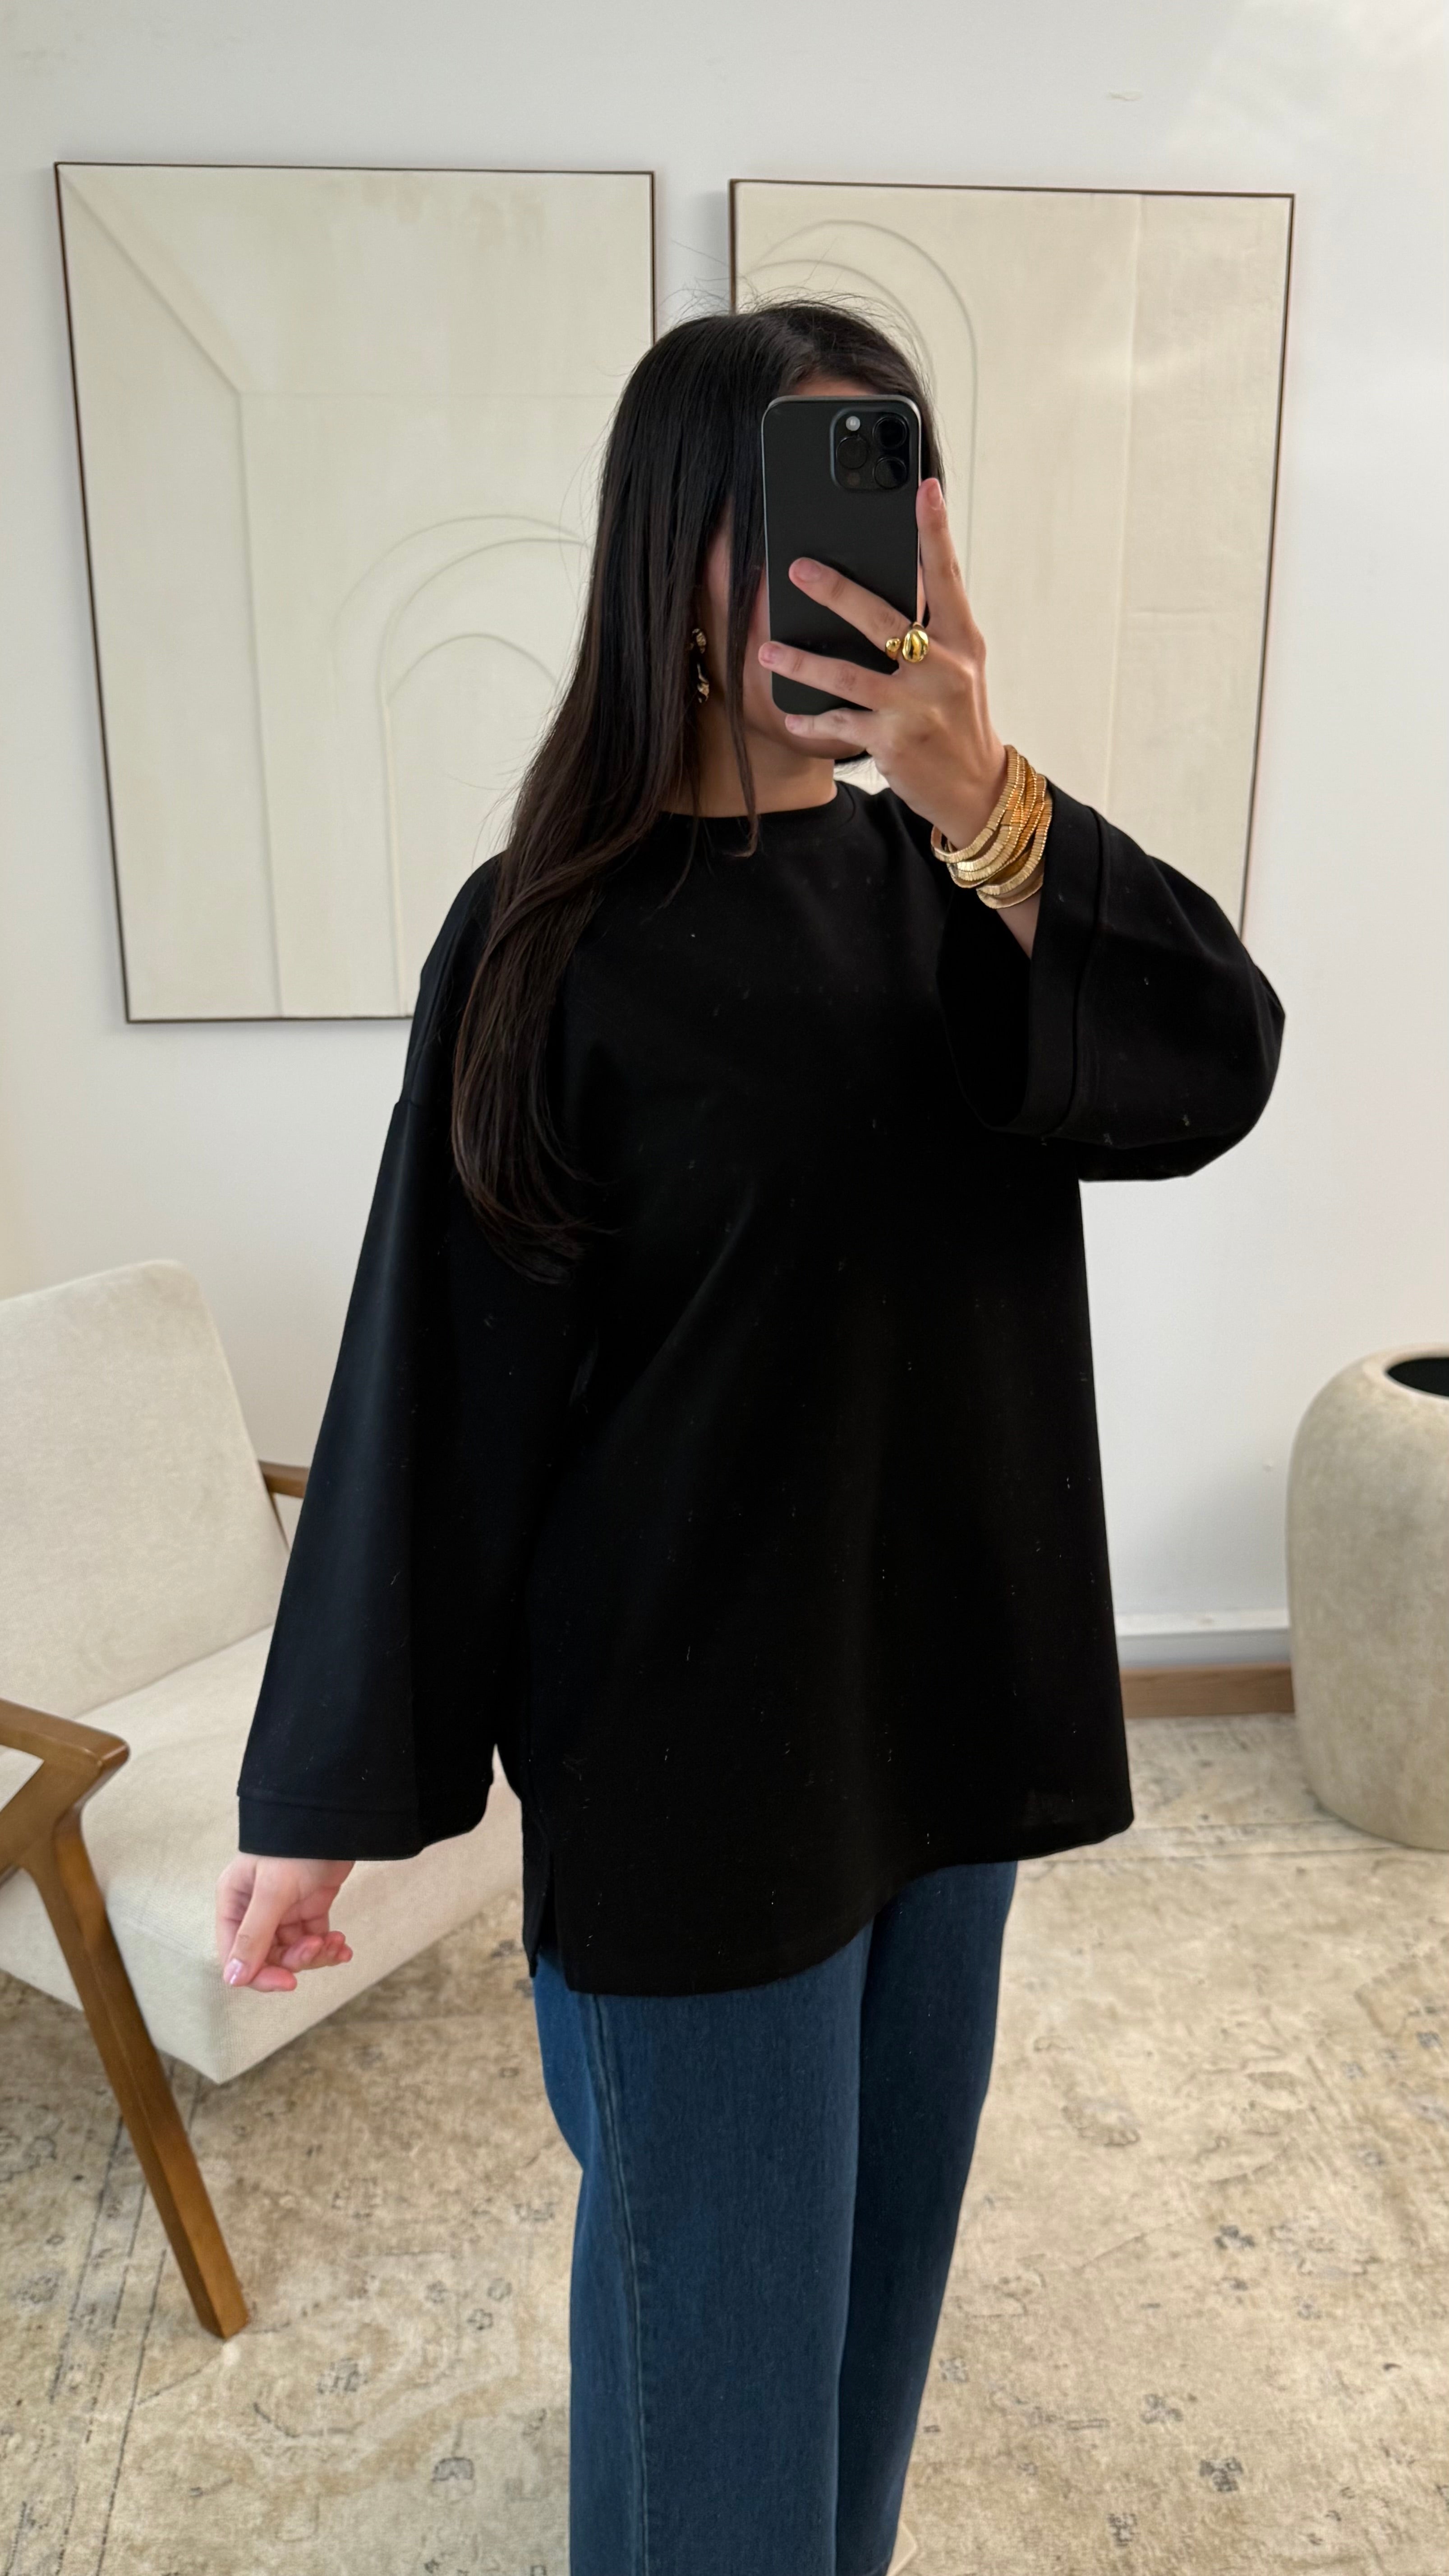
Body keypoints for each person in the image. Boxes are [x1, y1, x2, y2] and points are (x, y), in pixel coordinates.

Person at [216, 304, 1283, 2576]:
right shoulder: (548, 942)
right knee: (714, 2367)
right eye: (788, 506)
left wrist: (991, 801)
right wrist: (322, 1800)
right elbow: (435, 1384)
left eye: (886, 497)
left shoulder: (966, 896)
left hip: (944, 1726)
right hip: (689, 1775)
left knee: (871, 2318)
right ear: (674, 556)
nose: (846, 560)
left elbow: (1216, 1061)